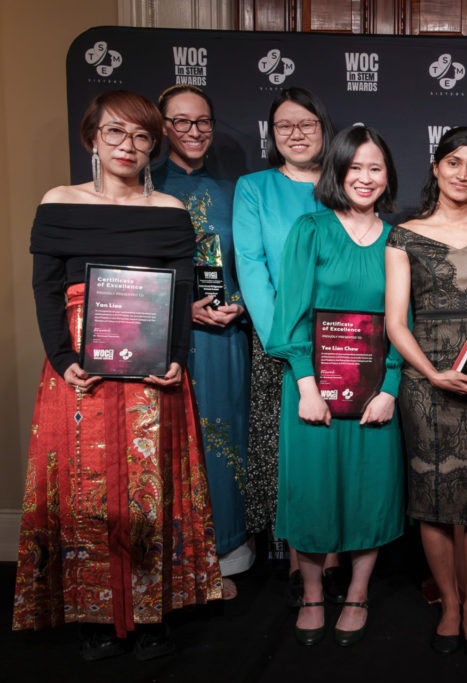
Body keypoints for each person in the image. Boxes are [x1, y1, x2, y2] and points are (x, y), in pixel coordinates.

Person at [14, 90, 220, 660]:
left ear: (155, 145)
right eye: (116, 133)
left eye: (142, 137)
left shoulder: (171, 214)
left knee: (150, 488)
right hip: (82, 366)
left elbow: (179, 294)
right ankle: (94, 615)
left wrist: (176, 357)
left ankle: (152, 610)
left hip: (154, 369)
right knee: (87, 490)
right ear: (92, 139)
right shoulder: (59, 201)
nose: (128, 146)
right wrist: (61, 359)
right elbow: (45, 288)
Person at [267, 125, 405, 646]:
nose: (364, 178)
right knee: (312, 491)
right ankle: (312, 592)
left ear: (387, 174)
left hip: (374, 393)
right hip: (312, 391)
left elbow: (403, 322)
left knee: (370, 491)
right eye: (354, 168)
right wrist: (306, 386)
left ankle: (358, 592)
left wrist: (390, 386)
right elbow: (290, 316)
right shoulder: (310, 229)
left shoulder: (399, 240)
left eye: (375, 167)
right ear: (337, 173)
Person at [384, 126, 467, 658]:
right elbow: (396, 321)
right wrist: (433, 375)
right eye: (455, 163)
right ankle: (446, 603)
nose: (464, 174)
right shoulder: (404, 235)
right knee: (434, 500)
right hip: (426, 380)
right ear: (436, 167)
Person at [233, 87, 337, 604]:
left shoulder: (346, 181)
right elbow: (251, 268)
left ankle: (338, 558)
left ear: (323, 128)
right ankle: (300, 565)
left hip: (346, 341)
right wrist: (289, 343)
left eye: (306, 124)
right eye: (284, 126)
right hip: (281, 341)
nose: (296, 134)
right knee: (290, 454)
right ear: (271, 135)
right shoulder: (254, 188)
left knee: (337, 447)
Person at [152, 85, 252, 599]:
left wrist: (243, 305)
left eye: (204, 122)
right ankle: (171, 561)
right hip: (162, 334)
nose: (194, 132)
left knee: (222, 437)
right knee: (165, 443)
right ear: (162, 126)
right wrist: (178, 308)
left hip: (223, 337)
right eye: (182, 122)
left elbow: (249, 266)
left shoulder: (234, 192)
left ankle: (221, 556)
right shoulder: (144, 188)